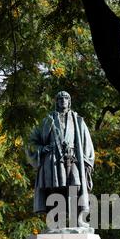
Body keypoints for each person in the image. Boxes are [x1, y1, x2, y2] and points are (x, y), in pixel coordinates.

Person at [27, 91, 94, 223]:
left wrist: (86, 161)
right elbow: (31, 142)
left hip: (72, 157)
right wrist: (41, 149)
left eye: (66, 98)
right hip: (52, 160)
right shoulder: (47, 120)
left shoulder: (78, 120)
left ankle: (77, 220)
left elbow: (87, 143)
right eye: (60, 98)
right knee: (55, 188)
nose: (63, 100)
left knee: (76, 185)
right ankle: (56, 221)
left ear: (69, 102)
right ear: (56, 102)